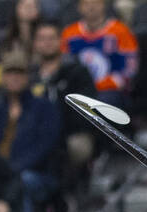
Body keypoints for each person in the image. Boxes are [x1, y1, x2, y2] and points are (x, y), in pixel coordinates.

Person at [0, 48, 61, 212]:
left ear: (27, 76)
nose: (14, 78)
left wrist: (12, 171)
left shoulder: (43, 108)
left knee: (21, 183)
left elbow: (45, 147)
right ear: (2, 77)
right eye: (9, 73)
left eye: (19, 73)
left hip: (37, 174)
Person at [32, 18, 98, 181]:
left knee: (74, 147)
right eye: (42, 39)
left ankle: (72, 191)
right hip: (36, 134)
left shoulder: (77, 71)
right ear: (35, 43)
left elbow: (86, 110)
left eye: (51, 38)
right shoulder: (28, 75)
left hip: (72, 133)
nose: (47, 43)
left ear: (60, 41)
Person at [60, 0, 138, 109]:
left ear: (104, 5)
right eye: (86, 3)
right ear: (79, 7)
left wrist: (108, 83)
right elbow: (63, 64)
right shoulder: (69, 33)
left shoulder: (120, 30)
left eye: (96, 3)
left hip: (110, 92)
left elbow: (130, 68)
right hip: (78, 90)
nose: (91, 7)